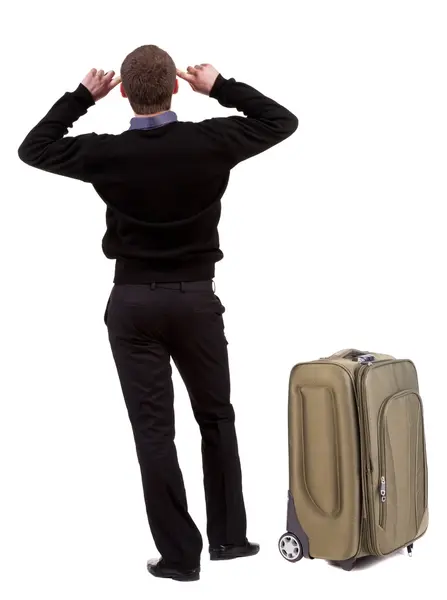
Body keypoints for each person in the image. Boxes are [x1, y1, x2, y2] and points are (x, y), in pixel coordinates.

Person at [18, 44, 298, 582]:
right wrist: (220, 87)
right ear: (175, 88)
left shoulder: (107, 153)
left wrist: (81, 97)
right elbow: (280, 120)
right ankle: (230, 539)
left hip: (132, 306)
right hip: (195, 301)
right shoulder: (212, 141)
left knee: (154, 433)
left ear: (122, 92)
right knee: (216, 417)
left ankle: (178, 557)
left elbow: (35, 148)